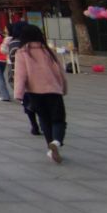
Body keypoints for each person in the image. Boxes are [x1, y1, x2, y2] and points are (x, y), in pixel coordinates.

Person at [13, 25, 68, 163]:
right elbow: (60, 72)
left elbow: (20, 75)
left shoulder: (22, 52)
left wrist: (18, 93)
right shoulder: (48, 51)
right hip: (53, 91)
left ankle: (50, 147)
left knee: (44, 119)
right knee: (58, 119)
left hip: (34, 92)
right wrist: (63, 88)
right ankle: (56, 142)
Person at [3, 21, 41, 135]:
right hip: (26, 78)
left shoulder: (19, 43)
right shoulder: (17, 44)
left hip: (25, 77)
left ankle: (37, 125)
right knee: (31, 103)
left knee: (32, 103)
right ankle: (35, 125)